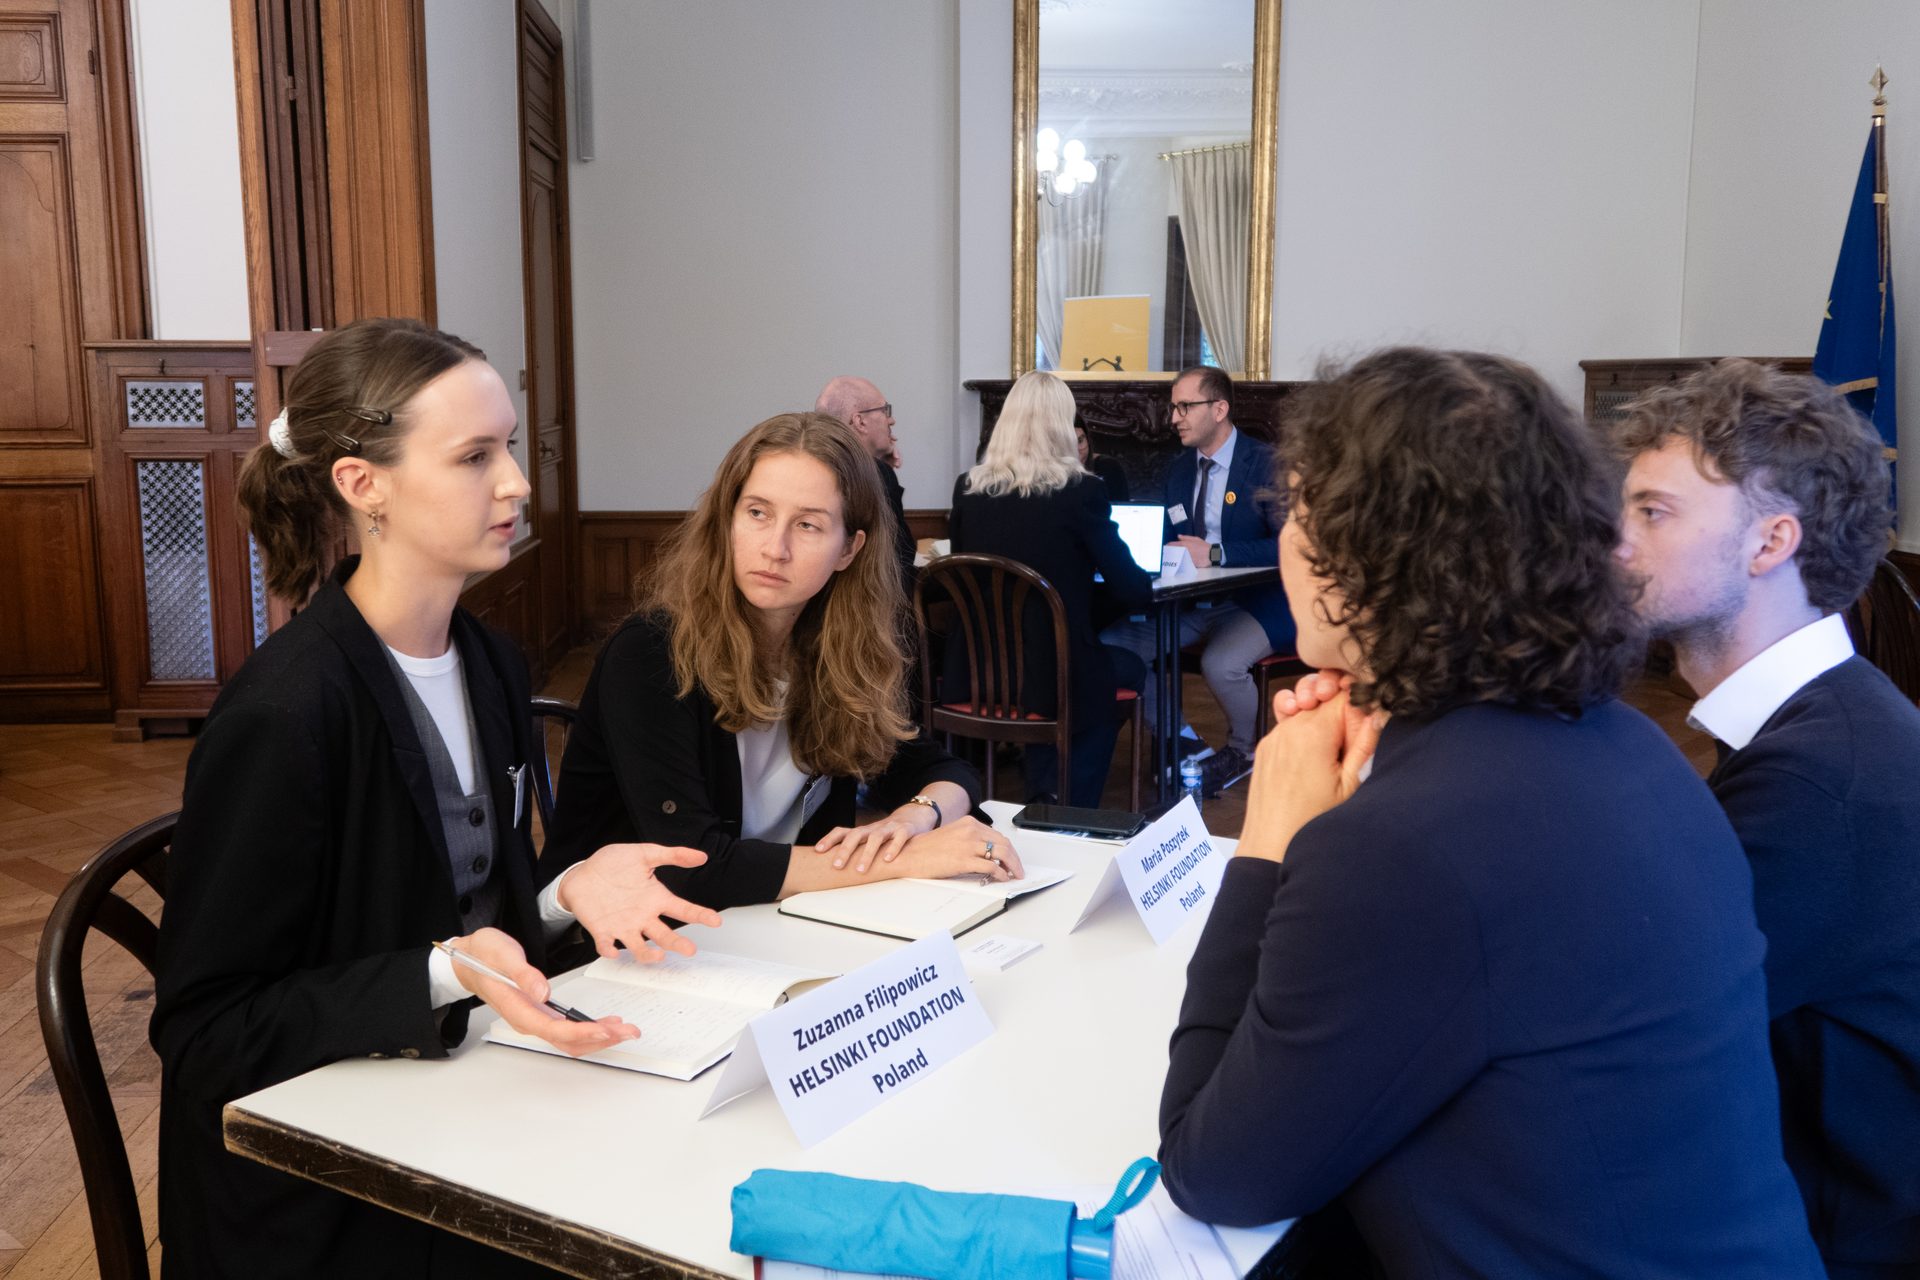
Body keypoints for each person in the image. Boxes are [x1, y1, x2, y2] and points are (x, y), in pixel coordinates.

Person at [1159, 347, 1822, 1276]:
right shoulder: (1631, 746)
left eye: (1297, 513)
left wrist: (1272, 838)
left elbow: (1214, 1171)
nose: (1287, 541)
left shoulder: (1403, 844)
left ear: (1364, 555)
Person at [150, 319, 722, 1277]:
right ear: (362, 485)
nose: (517, 482)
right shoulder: (288, 712)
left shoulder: (489, 661)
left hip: (456, 1106)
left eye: (509, 446)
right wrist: (443, 972)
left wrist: (561, 892)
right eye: (474, 456)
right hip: (321, 1195)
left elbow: (471, 918)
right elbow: (205, 1029)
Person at [1614, 359, 1920, 1278]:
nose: (1616, 544)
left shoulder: (1823, 783)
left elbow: (1621, 1028)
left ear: (1769, 542)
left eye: (1653, 513)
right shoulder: (1830, 724)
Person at [541, 412, 1021, 910]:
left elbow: (946, 771)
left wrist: (913, 819)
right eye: (757, 513)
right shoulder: (653, 653)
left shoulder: (835, 652)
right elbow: (694, 867)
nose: (775, 548)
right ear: (727, 517)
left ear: (849, 549)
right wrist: (905, 858)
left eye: (808, 524)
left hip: (769, 924)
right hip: (623, 948)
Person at [945, 371, 1152, 806]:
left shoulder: (967, 488)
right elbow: (1133, 589)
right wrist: (1078, 620)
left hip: (979, 675)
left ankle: (1044, 785)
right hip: (1053, 675)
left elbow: (966, 580)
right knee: (1123, 668)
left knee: (1065, 664)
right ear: (1062, 424)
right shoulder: (1080, 492)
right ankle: (1068, 801)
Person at [1099, 365, 1290, 790]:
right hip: (1188, 602)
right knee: (1110, 647)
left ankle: (1245, 751)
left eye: (1185, 406)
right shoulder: (1179, 470)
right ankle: (1184, 742)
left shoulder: (1265, 465)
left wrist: (1218, 553)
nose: (1173, 418)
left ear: (1219, 408)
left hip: (1252, 602)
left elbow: (1289, 544)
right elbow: (1174, 536)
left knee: (1220, 663)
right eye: (1173, 407)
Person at [816, 375, 914, 597]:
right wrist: (884, 473)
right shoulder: (875, 473)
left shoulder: (813, 466)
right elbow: (900, 558)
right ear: (860, 421)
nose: (891, 421)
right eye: (884, 410)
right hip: (864, 606)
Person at [1074, 414, 1130, 501]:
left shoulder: (1107, 467)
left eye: (1080, 441)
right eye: (1068, 444)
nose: (1077, 451)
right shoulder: (1049, 475)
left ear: (1088, 439)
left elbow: (1121, 511)